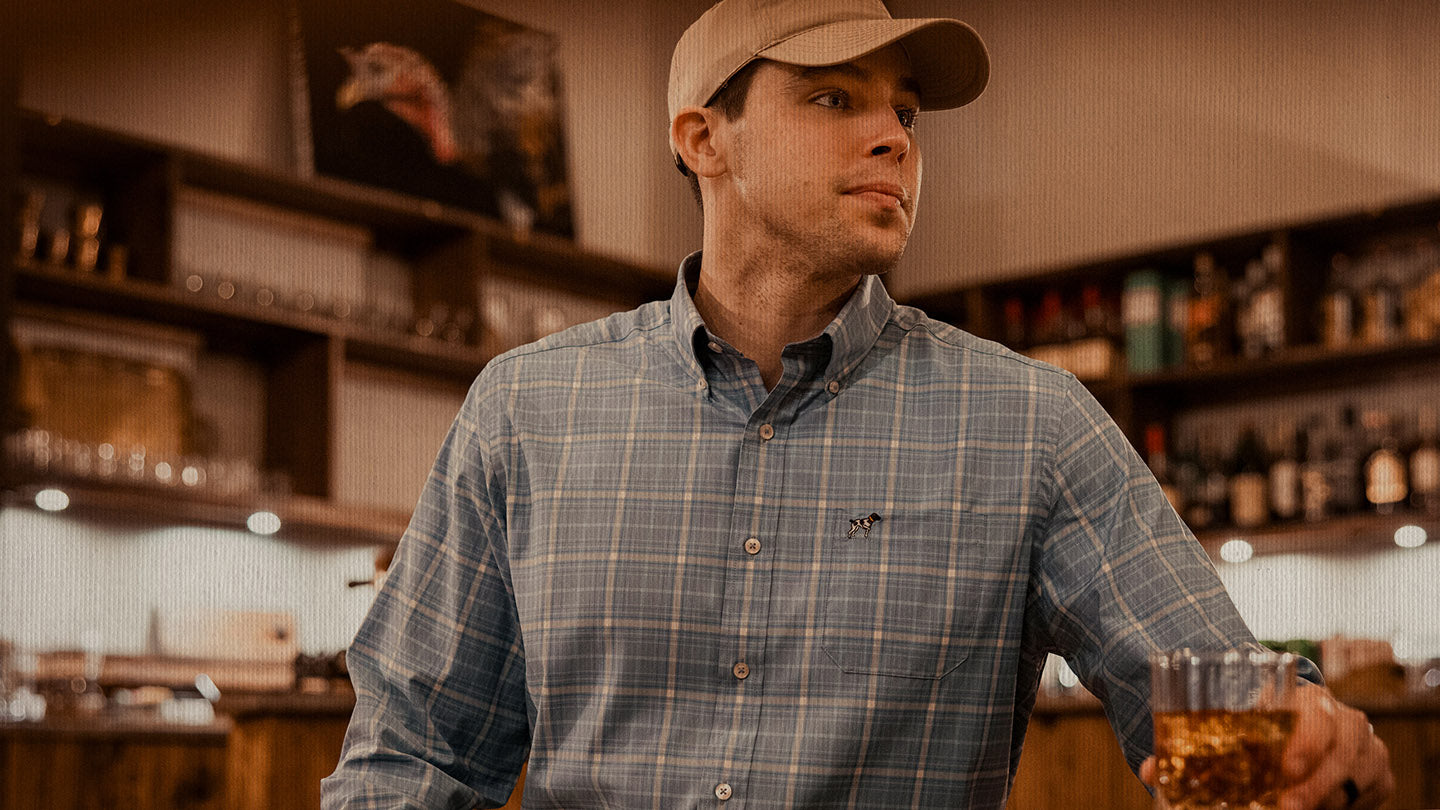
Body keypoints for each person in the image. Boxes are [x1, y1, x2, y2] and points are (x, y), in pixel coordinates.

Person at [322, 1, 1394, 807]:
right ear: (704, 140)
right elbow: (415, 757)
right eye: (834, 98)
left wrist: (1301, 735)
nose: (896, 137)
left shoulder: (1034, 424)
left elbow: (1220, 704)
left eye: (905, 111)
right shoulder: (525, 410)